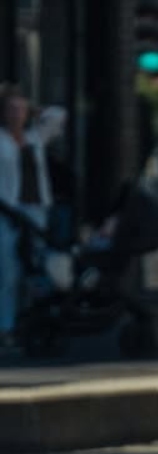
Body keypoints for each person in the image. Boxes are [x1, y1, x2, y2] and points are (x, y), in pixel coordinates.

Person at [0, 86, 60, 348]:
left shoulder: (35, 137)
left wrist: (38, 110)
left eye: (21, 109)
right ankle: (7, 325)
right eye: (11, 109)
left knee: (37, 266)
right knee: (9, 269)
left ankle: (34, 321)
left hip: (36, 207)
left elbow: (60, 116)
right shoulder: (0, 140)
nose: (17, 114)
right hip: (8, 209)